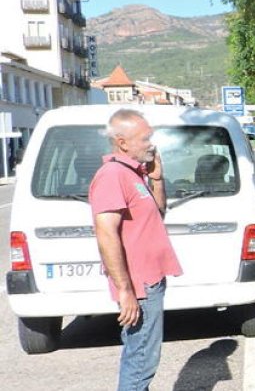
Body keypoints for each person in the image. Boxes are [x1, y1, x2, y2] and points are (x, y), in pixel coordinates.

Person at [89, 109, 182, 391]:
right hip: (139, 286)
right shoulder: (112, 175)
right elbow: (106, 234)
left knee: (142, 357)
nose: (151, 144)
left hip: (150, 281)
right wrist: (125, 289)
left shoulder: (133, 174)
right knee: (140, 361)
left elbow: (158, 213)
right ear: (122, 142)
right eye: (145, 138)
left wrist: (158, 179)